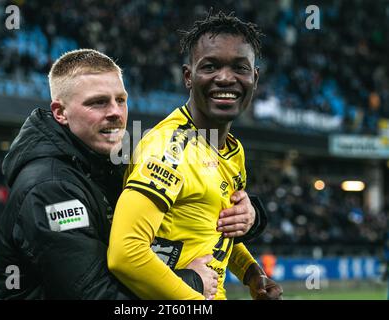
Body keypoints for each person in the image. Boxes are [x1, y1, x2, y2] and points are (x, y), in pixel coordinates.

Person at [0, 49, 261, 299]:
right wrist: (191, 281)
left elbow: (189, 217)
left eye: (121, 100)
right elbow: (93, 295)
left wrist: (251, 217)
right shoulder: (49, 187)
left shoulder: (113, 161)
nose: (116, 113)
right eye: (98, 103)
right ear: (61, 113)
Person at [108, 10, 283, 300]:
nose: (226, 78)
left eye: (239, 68)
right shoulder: (169, 148)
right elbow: (125, 254)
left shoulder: (231, 150)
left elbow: (213, 231)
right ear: (189, 77)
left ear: (254, 78)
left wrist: (253, 274)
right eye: (211, 66)